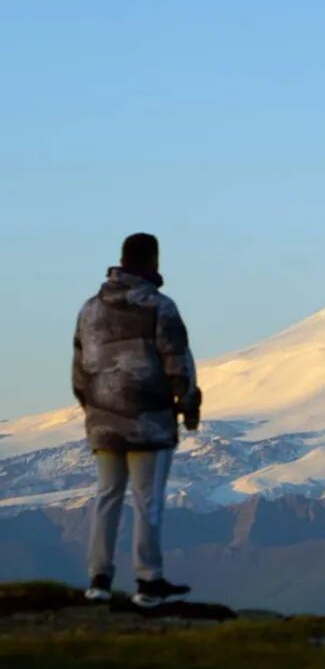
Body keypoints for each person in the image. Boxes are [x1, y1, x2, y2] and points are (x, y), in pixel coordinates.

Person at [72, 232, 202, 608]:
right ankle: (148, 581)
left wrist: (94, 408)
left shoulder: (90, 309)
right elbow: (176, 359)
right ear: (152, 261)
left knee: (107, 497)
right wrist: (187, 402)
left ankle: (98, 580)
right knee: (148, 502)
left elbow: (79, 370)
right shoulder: (159, 307)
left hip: (103, 421)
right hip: (149, 420)